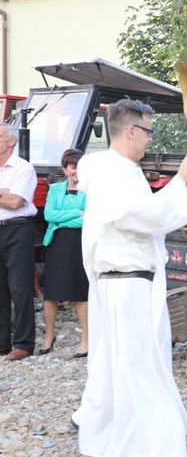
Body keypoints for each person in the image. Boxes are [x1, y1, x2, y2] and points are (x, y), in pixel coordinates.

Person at [71, 99, 187, 456]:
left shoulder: (117, 169)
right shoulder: (114, 172)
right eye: (148, 131)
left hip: (129, 282)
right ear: (131, 130)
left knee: (123, 362)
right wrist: (181, 180)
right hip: (125, 284)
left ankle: (111, 428)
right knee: (136, 365)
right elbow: (143, 216)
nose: (150, 140)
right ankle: (149, 444)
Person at [40, 148, 88, 357]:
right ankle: (48, 336)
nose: (76, 171)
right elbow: (49, 215)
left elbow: (91, 218)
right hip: (56, 243)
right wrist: (78, 212)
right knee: (50, 294)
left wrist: (63, 218)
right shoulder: (55, 189)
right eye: (72, 167)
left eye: (80, 167)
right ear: (65, 168)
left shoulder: (91, 190)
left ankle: (86, 339)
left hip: (80, 244)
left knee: (80, 293)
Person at [0, 123, 37, 361]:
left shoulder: (24, 168)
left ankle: (23, 343)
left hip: (16, 230)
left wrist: (9, 195)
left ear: (11, 141)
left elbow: (15, 203)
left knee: (20, 288)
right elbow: (9, 198)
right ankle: (2, 343)